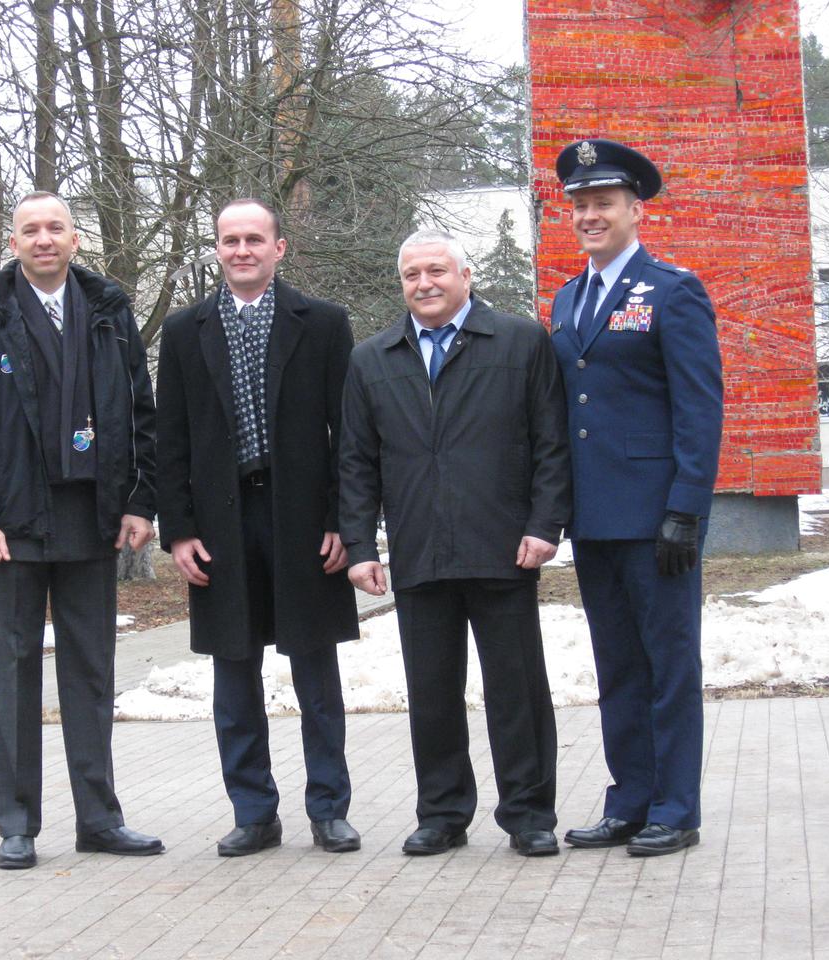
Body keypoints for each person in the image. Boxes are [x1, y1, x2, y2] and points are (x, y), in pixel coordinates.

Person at [0, 191, 163, 869]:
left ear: (74, 239)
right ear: (13, 243)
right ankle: (17, 824)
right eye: (30, 229)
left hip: (91, 520)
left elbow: (140, 416)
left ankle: (99, 819)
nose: (43, 239)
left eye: (55, 228)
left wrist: (139, 502)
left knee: (91, 674)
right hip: (11, 527)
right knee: (12, 676)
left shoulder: (109, 314)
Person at [339, 229, 570, 857]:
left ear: (465, 276)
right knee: (432, 692)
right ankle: (442, 813)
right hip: (419, 551)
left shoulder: (520, 342)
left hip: (503, 547)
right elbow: (356, 463)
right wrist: (361, 547)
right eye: (412, 275)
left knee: (516, 689)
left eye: (436, 271)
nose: (424, 284)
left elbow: (552, 442)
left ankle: (528, 814)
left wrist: (544, 525)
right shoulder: (372, 359)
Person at [156, 199, 361, 857]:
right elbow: (172, 440)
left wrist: (343, 523)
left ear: (279, 248)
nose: (240, 250)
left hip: (304, 520)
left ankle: (329, 809)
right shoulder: (186, 330)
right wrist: (179, 530)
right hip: (221, 521)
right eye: (228, 240)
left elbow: (348, 435)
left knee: (315, 671)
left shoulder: (324, 324)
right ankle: (254, 813)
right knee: (233, 673)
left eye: (253, 239)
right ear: (216, 249)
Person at [548, 139, 724, 857]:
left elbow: (700, 408)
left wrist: (686, 509)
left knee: (669, 663)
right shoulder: (567, 296)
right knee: (617, 662)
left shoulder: (672, 290)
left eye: (603, 204)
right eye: (580, 205)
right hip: (595, 518)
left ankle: (676, 807)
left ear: (634, 209)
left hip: (658, 518)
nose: (590, 216)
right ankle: (629, 799)